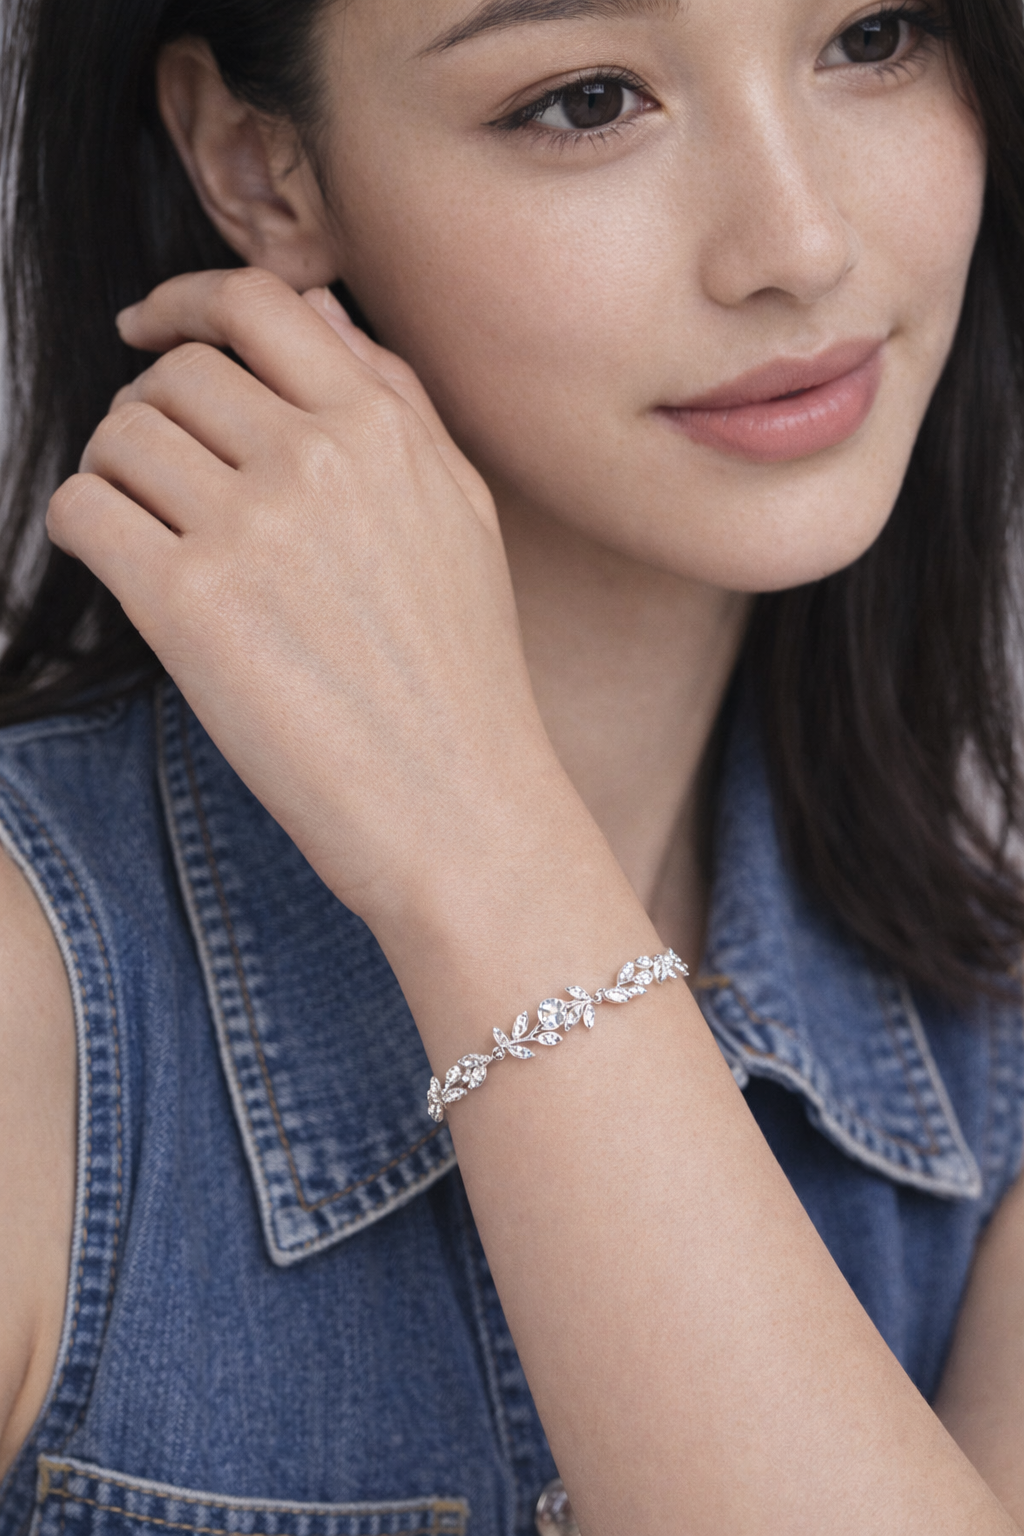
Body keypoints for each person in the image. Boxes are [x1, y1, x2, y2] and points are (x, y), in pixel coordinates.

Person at [0, 0, 1022, 1531]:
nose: (799, 244)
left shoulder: (994, 1063)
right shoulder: (34, 1011)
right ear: (262, 163)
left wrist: (487, 857)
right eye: (588, 99)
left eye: (873, 36)